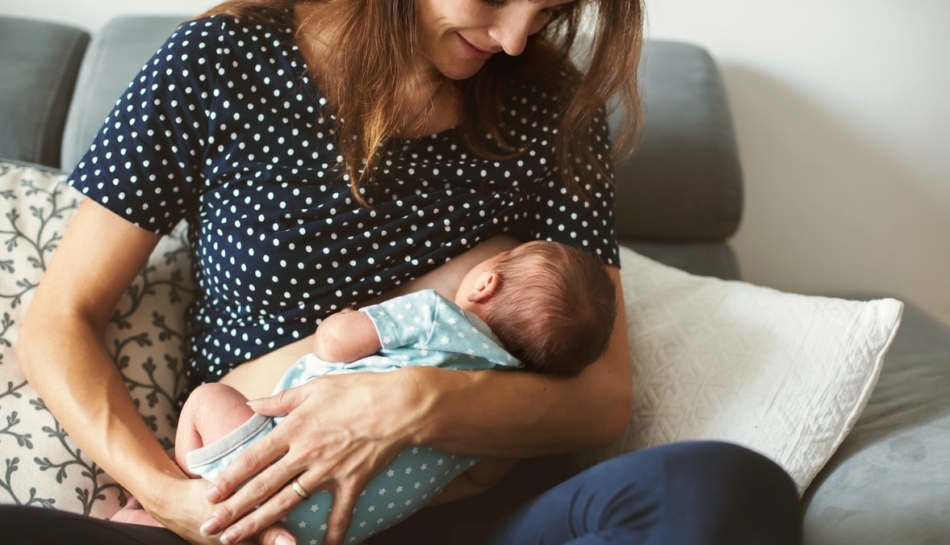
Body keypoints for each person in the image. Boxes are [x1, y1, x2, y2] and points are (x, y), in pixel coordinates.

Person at [7, 1, 803, 544]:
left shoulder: (552, 109)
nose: (518, 39)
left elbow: (602, 398)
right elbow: (57, 322)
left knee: (726, 489)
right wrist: (179, 502)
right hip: (264, 516)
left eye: (551, 10)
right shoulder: (222, 63)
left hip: (474, 512)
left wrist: (410, 401)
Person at [113, 240, 618, 544]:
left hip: (266, 457)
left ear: (485, 283)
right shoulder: (500, 413)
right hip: (332, 528)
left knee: (207, 399)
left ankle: (177, 488)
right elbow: (484, 479)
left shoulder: (436, 315)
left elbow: (335, 344)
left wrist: (351, 316)